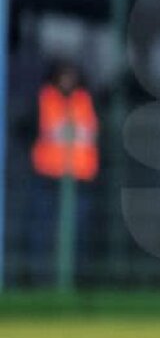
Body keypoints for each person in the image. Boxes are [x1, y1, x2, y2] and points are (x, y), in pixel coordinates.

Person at [30, 62, 99, 285]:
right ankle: (41, 280)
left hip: (79, 178)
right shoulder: (43, 99)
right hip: (49, 176)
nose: (68, 80)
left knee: (78, 234)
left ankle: (76, 282)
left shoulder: (86, 100)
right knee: (43, 232)